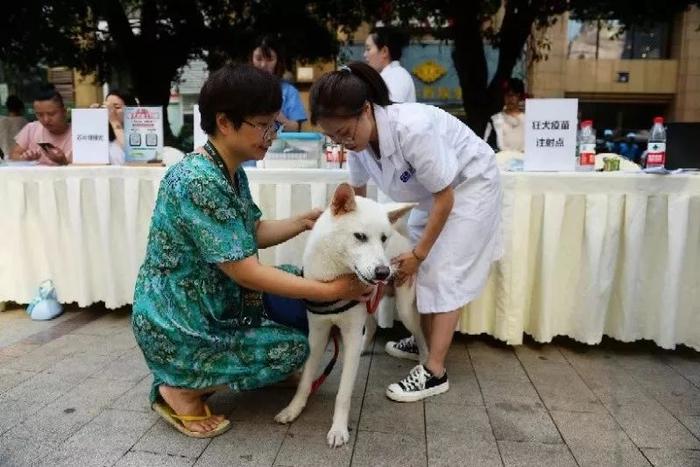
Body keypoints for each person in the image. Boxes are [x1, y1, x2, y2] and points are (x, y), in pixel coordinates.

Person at [131, 63, 372, 438]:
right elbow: (245, 270)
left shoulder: (227, 168)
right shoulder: (198, 180)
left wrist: (303, 221)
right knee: (293, 348)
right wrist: (332, 291)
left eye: (273, 124)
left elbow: (251, 231)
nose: (273, 134)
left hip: (214, 301)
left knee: (299, 284)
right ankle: (179, 389)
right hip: (182, 322)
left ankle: (221, 368)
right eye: (264, 124)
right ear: (225, 123)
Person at [309, 62, 502, 402]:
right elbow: (357, 202)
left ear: (366, 109)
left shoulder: (413, 128)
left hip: (469, 186)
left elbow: (446, 197)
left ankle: (434, 371)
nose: (342, 142)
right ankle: (424, 338)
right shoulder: (356, 144)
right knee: (414, 265)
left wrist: (418, 255)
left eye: (345, 132)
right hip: (432, 193)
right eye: (333, 136)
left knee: (441, 268)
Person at [251, 35, 307, 132]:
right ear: (251, 59)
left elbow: (295, 128)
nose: (263, 65)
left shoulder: (289, 91)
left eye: (270, 59)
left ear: (278, 61)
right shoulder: (241, 89)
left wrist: (276, 115)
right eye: (259, 59)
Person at [10, 86, 72, 165]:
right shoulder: (31, 129)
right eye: (40, 115)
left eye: (51, 114)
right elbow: (13, 155)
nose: (46, 120)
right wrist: (24, 158)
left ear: (64, 111)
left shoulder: (79, 134)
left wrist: (64, 162)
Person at [364, 28, 416, 103]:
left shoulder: (396, 76)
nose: (365, 54)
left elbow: (389, 111)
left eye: (368, 49)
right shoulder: (390, 75)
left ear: (384, 51)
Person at [91, 89, 138, 165]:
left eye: (116, 107)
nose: (111, 111)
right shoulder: (104, 134)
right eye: (108, 107)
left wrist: (114, 121)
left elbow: (132, 152)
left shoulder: (140, 134)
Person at [483, 78, 526, 153]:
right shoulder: (495, 120)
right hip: (502, 163)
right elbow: (486, 148)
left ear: (520, 97)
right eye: (507, 95)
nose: (510, 98)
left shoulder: (529, 120)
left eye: (514, 95)